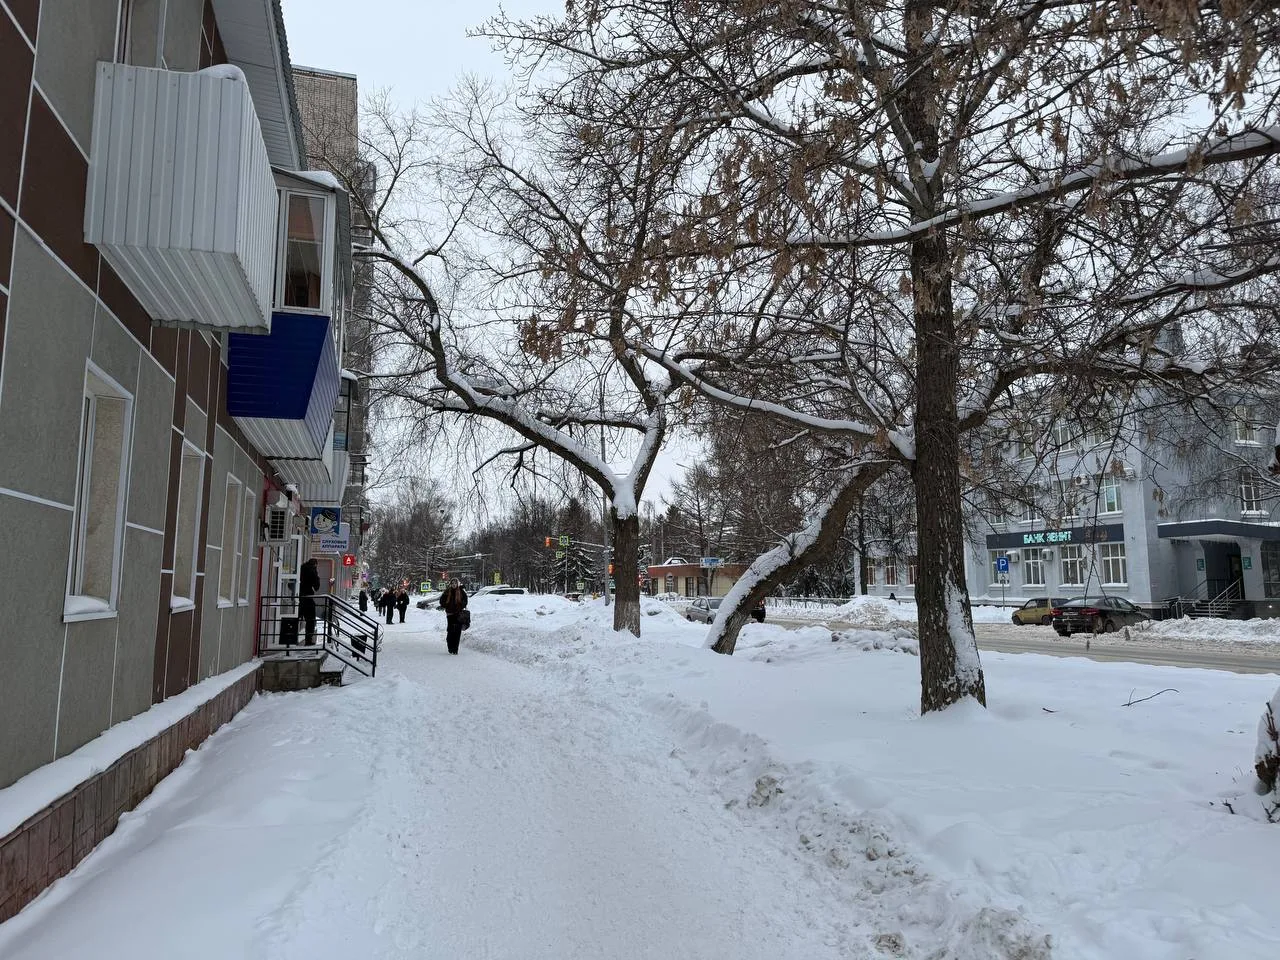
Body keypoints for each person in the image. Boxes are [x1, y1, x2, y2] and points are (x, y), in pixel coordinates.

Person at [438, 579, 468, 655]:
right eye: (452, 583)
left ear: (457, 584)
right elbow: (441, 601)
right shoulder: (447, 591)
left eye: (455, 583)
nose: (454, 585)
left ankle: (455, 649)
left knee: (457, 632)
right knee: (450, 631)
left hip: (459, 614)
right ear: (450, 584)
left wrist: (461, 605)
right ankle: (450, 647)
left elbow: (465, 601)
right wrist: (446, 605)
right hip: (450, 614)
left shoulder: (461, 591)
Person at [299, 558, 321, 645]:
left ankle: (289, 639)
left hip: (298, 597)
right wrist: (317, 576)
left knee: (295, 618)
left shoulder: (300, 568)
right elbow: (316, 587)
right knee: (311, 620)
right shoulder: (312, 570)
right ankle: (308, 640)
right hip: (307, 598)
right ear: (315, 564)